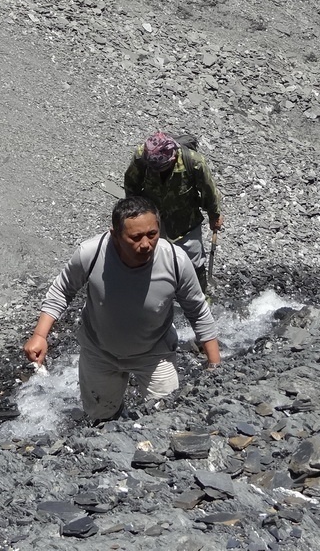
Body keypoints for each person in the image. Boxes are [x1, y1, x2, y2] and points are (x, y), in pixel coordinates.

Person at [22, 197, 220, 422]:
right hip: (100, 352)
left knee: (166, 418)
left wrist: (214, 366)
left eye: (152, 234)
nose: (145, 244)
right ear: (115, 235)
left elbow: (197, 309)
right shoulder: (92, 253)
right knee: (100, 418)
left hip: (155, 353)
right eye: (135, 237)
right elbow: (62, 290)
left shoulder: (175, 260)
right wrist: (40, 335)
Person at [124, 132, 224, 294]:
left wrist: (214, 215)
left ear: (172, 158)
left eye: (161, 168)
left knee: (193, 261)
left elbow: (208, 191)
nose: (157, 172)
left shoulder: (194, 162)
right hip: (152, 218)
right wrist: (134, 216)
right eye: (154, 169)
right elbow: (131, 184)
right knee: (151, 258)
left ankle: (200, 297)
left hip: (186, 220)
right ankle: (154, 296)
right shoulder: (142, 156)